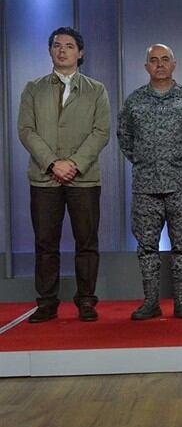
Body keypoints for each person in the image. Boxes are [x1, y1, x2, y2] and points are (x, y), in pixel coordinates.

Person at [17, 27, 110, 323]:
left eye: (69, 46)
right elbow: (26, 130)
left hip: (84, 178)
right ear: (50, 51)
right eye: (57, 45)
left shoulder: (96, 89)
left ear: (80, 53)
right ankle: (46, 303)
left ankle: (86, 301)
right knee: (45, 243)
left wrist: (74, 163)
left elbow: (101, 132)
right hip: (44, 178)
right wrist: (53, 163)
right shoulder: (33, 88)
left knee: (86, 241)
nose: (62, 50)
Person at [118, 44, 182, 320]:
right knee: (147, 247)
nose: (159, 64)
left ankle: (181, 301)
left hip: (180, 185)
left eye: (165, 60)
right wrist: (144, 161)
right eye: (153, 60)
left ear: (174, 64)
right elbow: (125, 138)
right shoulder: (134, 101)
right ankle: (151, 302)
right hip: (146, 187)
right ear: (146, 66)